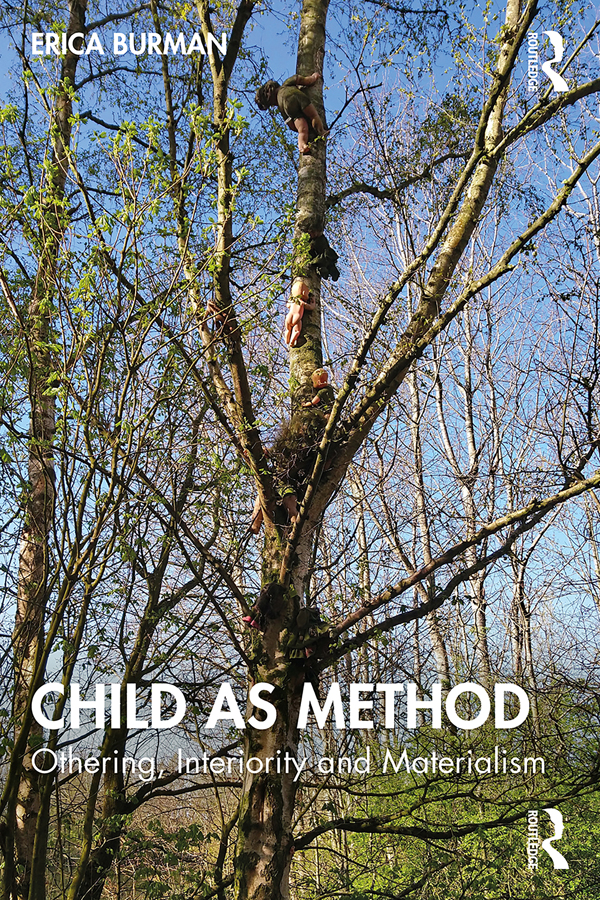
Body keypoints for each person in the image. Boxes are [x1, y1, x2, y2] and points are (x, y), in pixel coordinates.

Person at [255, 72, 328, 155]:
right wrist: (312, 78)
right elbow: (300, 79)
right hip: (298, 96)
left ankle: (302, 145)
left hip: (292, 111)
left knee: (302, 130)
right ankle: (321, 131)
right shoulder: (285, 85)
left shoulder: (280, 106)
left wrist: (296, 128)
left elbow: (290, 123)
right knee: (313, 115)